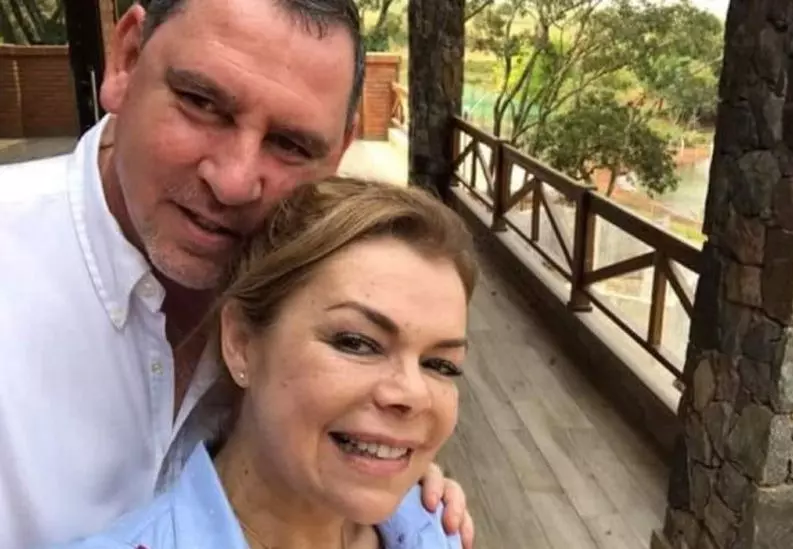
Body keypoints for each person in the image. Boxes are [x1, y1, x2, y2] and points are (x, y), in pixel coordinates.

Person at [0, 0, 475, 547]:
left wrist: (376, 470)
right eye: (201, 103)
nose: (233, 181)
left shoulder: (301, 294)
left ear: (339, 151)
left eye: (291, 145)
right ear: (127, 58)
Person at [48, 177, 477, 549]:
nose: (413, 394)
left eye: (441, 365)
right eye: (357, 343)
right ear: (240, 342)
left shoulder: (436, 529)